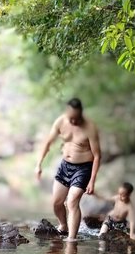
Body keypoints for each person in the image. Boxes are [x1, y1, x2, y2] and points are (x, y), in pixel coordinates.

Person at [35, 98, 101, 241]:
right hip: (65, 166)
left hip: (83, 168)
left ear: (81, 113)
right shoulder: (60, 122)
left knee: (72, 202)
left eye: (77, 118)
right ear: (67, 113)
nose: (74, 121)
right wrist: (39, 164)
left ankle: (72, 239)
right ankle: (64, 226)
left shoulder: (90, 127)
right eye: (71, 118)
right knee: (56, 203)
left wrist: (92, 181)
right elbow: (48, 143)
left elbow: (97, 155)